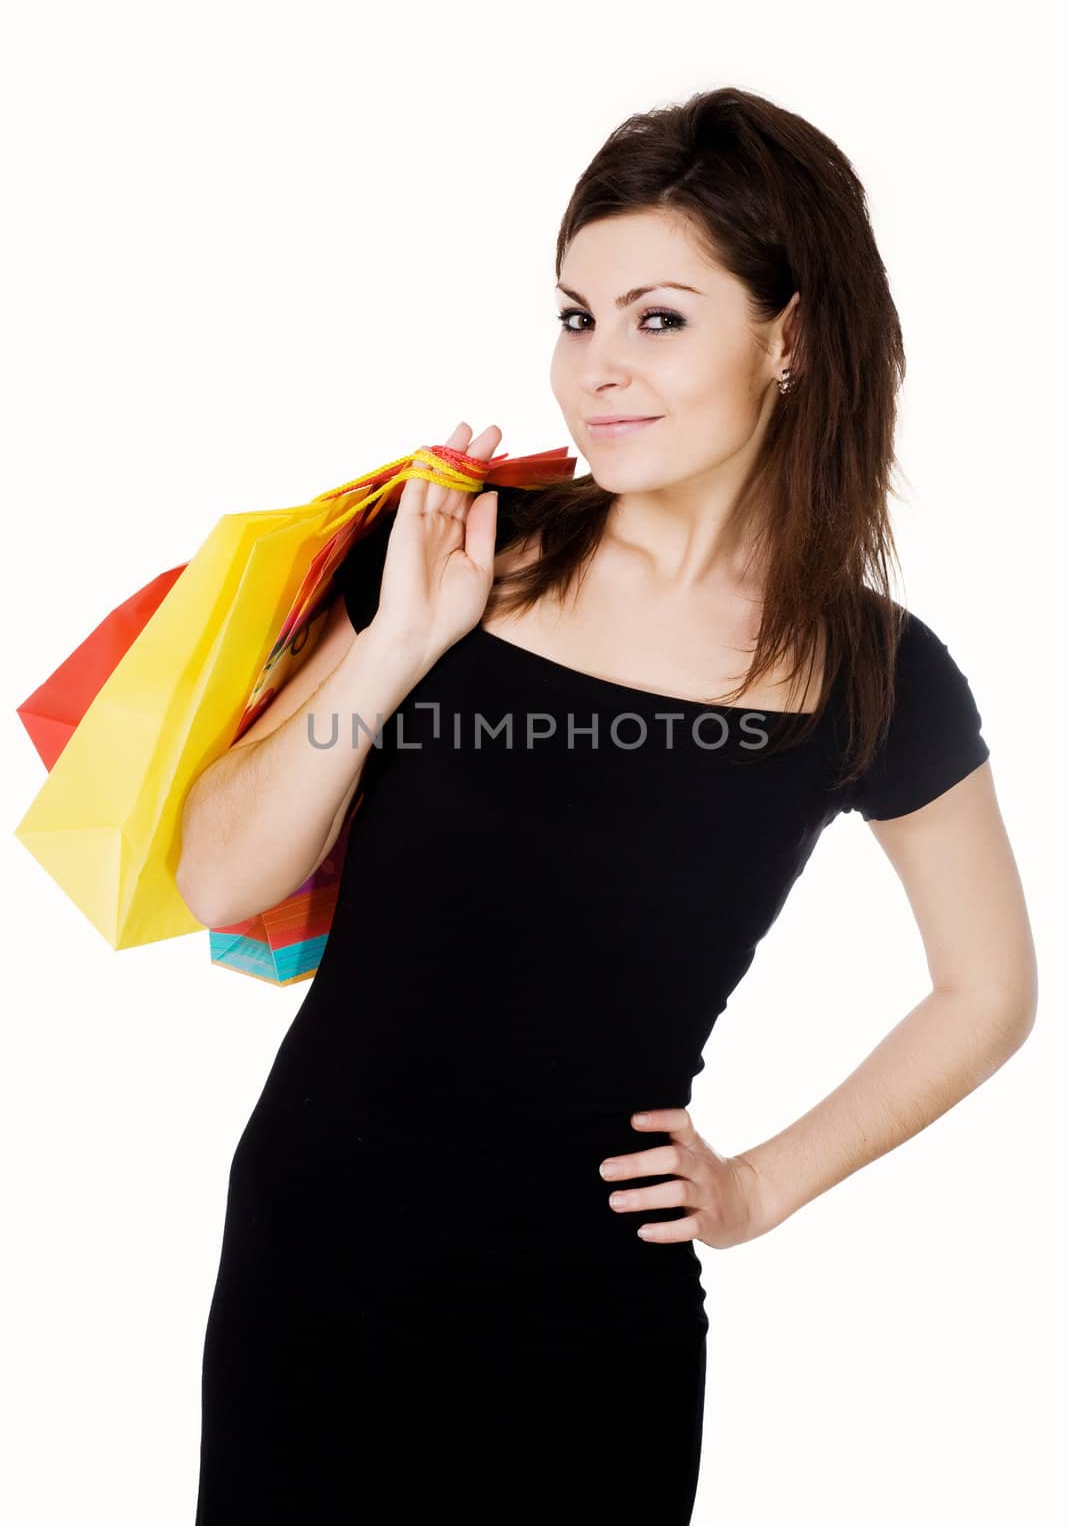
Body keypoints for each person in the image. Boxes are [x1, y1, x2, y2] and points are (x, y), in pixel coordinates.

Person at [181, 86, 1037, 1524]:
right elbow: (220, 876)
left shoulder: (871, 674)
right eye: (576, 317)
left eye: (658, 318)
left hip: (587, 1319)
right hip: (314, 1268)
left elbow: (989, 988)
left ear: (794, 337)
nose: (597, 371)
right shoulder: (462, 552)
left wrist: (760, 1186)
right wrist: (396, 643)